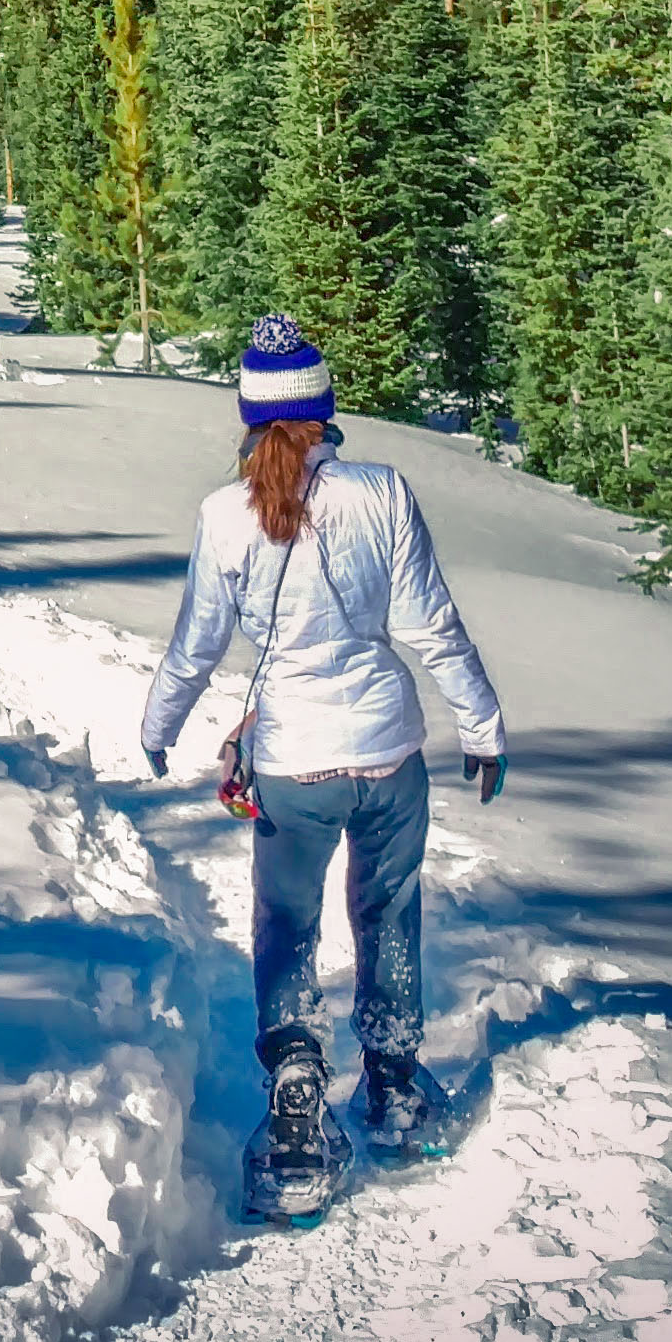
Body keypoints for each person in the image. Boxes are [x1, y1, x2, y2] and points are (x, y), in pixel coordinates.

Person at [141, 315, 508, 1186]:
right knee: (387, 911)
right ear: (324, 406)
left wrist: (159, 727)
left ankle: (298, 1086)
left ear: (248, 413)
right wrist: (483, 725)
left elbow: (195, 646)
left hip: (292, 766)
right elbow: (433, 627)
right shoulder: (381, 491)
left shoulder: (225, 514)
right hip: (390, 757)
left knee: (287, 921)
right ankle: (392, 1086)